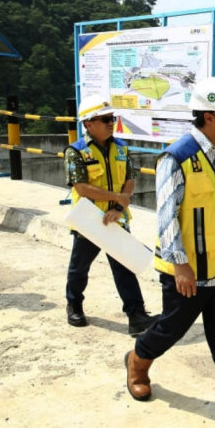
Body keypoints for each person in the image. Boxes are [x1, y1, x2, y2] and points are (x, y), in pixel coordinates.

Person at [124, 77, 215, 428]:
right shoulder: (177, 157)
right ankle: (137, 361)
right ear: (208, 116)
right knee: (171, 327)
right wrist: (180, 265)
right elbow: (166, 216)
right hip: (190, 268)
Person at [64, 95, 157, 336]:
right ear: (88, 123)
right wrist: (116, 199)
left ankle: (136, 316)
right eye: (104, 119)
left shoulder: (121, 148)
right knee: (79, 268)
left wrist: (118, 209)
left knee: (124, 266)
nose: (110, 123)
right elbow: (81, 187)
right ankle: (74, 304)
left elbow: (129, 179)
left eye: (112, 118)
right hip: (89, 220)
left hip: (115, 217)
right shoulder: (76, 152)